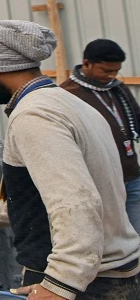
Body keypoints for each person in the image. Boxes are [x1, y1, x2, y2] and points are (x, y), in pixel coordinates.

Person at [0, 21, 140, 300]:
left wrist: (62, 283)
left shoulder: (35, 115)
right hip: (111, 278)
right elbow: (50, 197)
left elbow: (74, 201)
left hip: (85, 289)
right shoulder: (68, 102)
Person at [60, 39, 140, 236]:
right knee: (113, 238)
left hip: (132, 176)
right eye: (106, 71)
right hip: (101, 183)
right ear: (86, 63)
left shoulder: (117, 88)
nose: (112, 76)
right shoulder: (67, 94)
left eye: (116, 71)